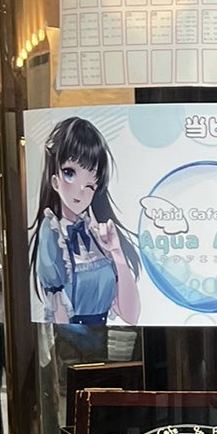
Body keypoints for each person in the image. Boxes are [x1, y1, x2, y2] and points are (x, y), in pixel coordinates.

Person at [29, 115, 141, 327]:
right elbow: (58, 311)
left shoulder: (96, 233)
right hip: (73, 340)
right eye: (70, 173)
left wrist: (116, 252)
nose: (80, 190)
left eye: (90, 185)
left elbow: (131, 315)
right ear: (55, 180)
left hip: (108, 339)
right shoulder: (51, 232)